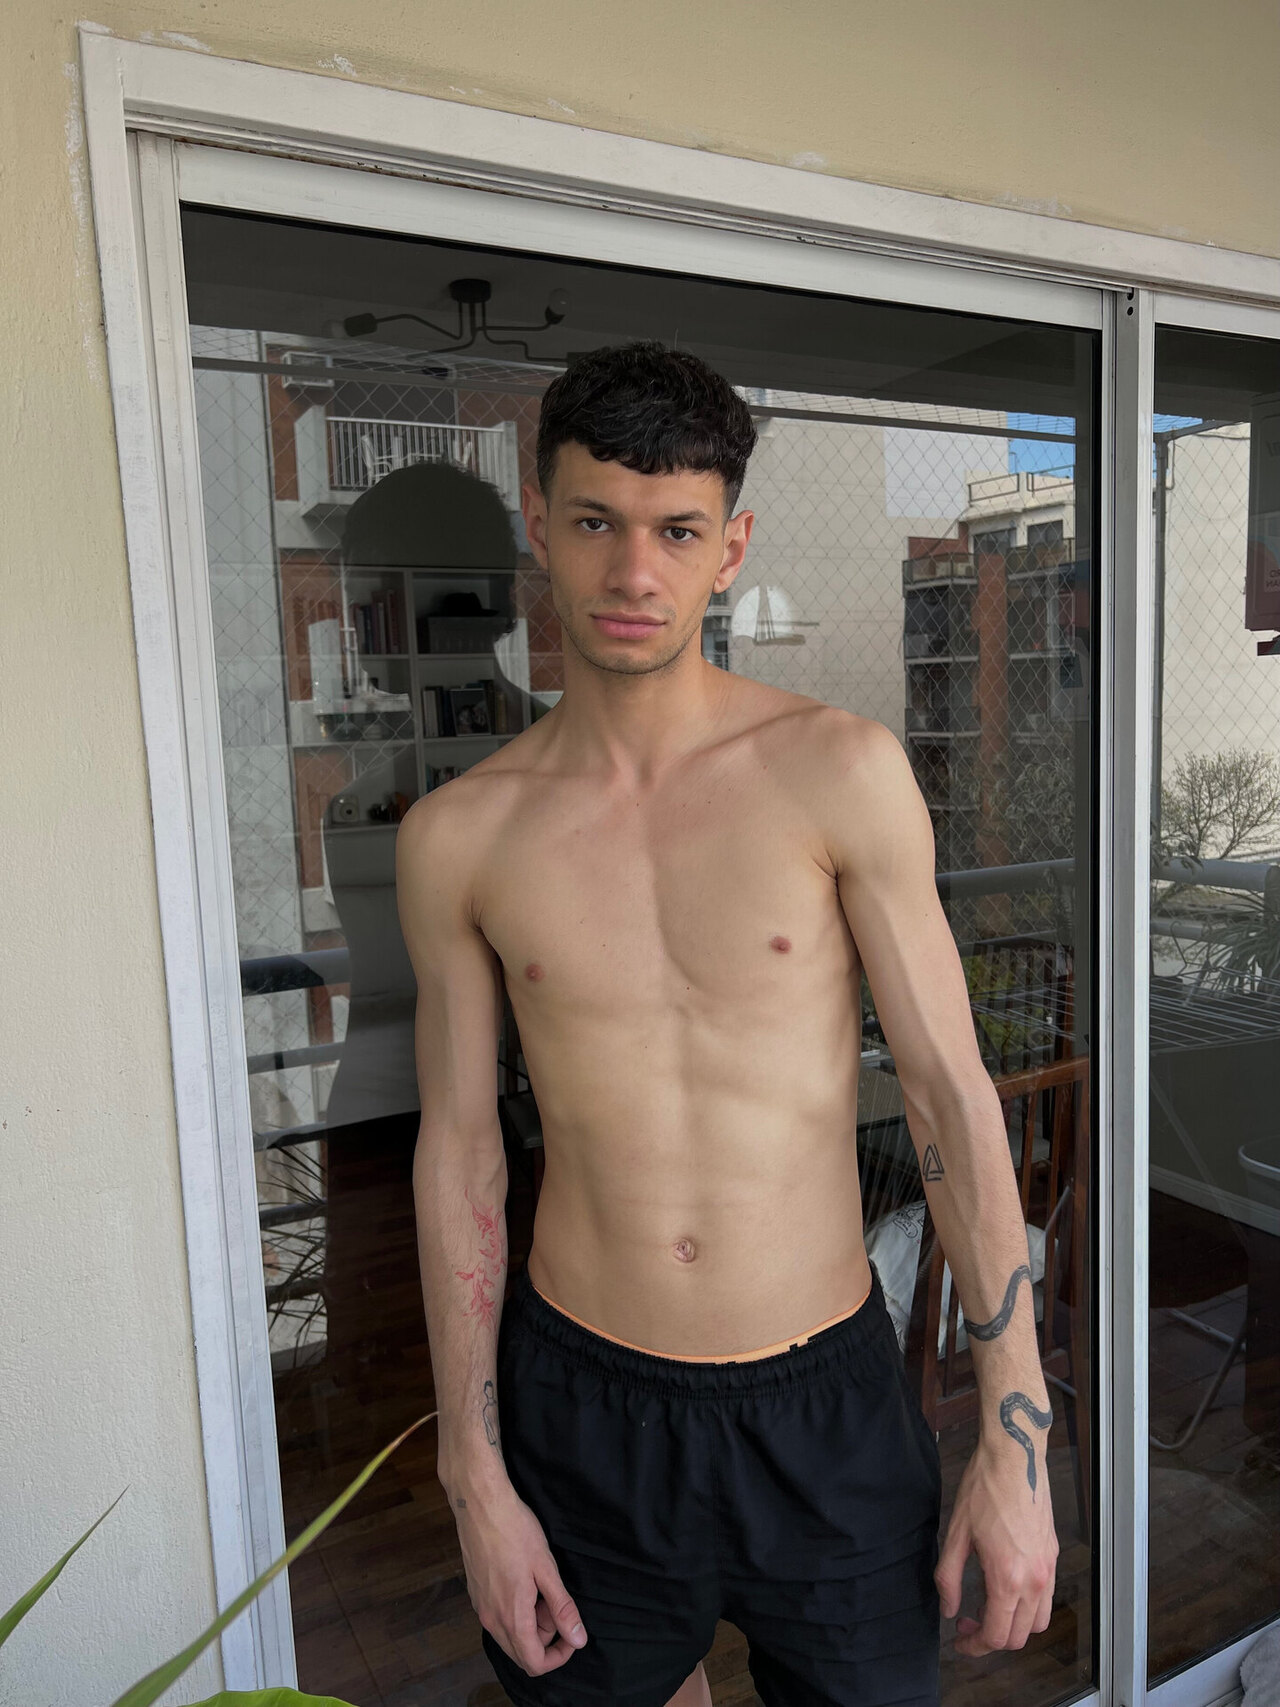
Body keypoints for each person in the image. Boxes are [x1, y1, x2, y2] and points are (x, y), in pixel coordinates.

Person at [396, 342, 1058, 1707]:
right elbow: (459, 1155)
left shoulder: (839, 771)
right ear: (541, 524)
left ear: (731, 546)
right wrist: (473, 1474)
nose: (634, 572)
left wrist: (1018, 1444)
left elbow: (949, 1094)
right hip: (581, 1408)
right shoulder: (460, 836)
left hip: (824, 1404)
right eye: (597, 523)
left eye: (678, 531)